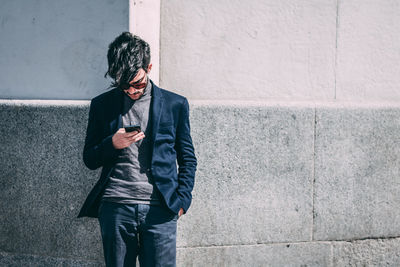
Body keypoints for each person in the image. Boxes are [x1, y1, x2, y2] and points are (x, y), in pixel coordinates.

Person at [77, 32, 197, 267]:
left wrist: (182, 201)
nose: (132, 91)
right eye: (124, 85)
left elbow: (188, 158)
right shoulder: (102, 105)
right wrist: (112, 143)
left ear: (149, 67)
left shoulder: (175, 104)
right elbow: (90, 158)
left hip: (161, 208)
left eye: (138, 84)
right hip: (116, 206)